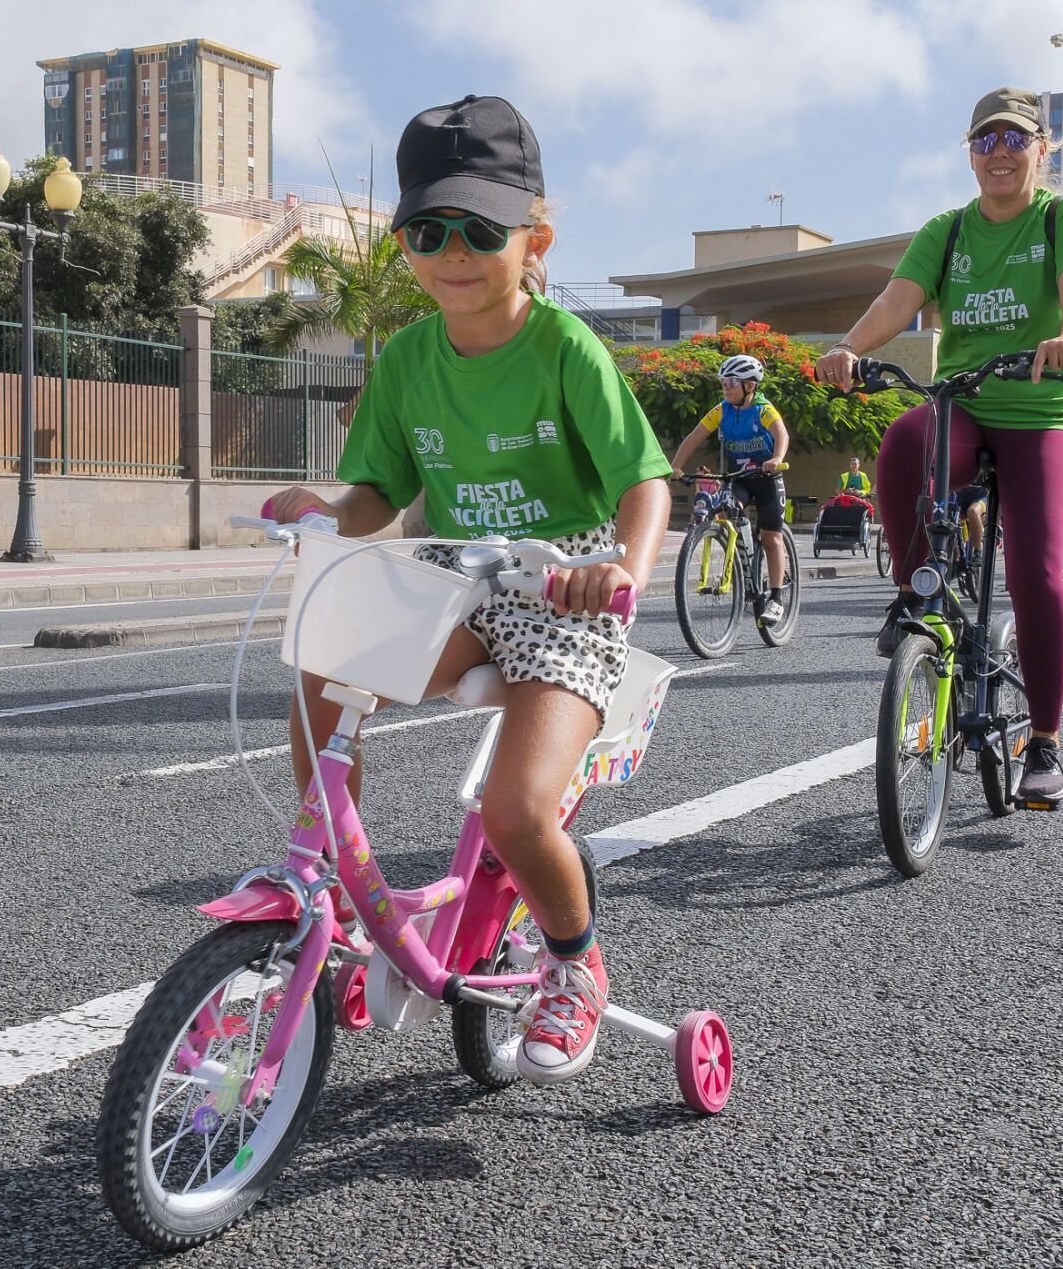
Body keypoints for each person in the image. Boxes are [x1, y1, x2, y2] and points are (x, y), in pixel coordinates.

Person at [265, 94, 672, 1085]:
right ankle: (333, 897)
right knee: (326, 673)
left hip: (562, 589)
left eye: (478, 230)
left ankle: (573, 963)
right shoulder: (405, 358)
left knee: (518, 811)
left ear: (532, 237)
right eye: (425, 229)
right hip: (457, 576)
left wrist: (620, 568)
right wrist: (321, 508)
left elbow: (642, 480)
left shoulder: (563, 347)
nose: (451, 251)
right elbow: (378, 495)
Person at [818, 85, 1063, 806]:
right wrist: (848, 347)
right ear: (971, 155)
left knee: (1036, 574)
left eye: (1015, 140)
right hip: (967, 400)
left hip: (1045, 408)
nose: (1000, 154)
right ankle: (915, 598)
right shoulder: (948, 231)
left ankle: (1043, 743)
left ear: (1042, 150)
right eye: (985, 142)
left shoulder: (1062, 215)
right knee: (903, 441)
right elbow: (899, 299)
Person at [668, 353, 793, 623]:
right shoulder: (721, 410)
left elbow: (781, 434)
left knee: (771, 537)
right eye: (724, 381)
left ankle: (776, 597)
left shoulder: (763, 409)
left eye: (732, 382)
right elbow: (694, 437)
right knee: (726, 507)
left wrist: (777, 459)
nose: (726, 386)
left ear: (750, 385)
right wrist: (676, 466)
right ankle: (744, 561)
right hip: (739, 477)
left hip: (766, 478)